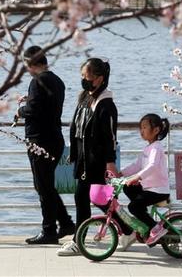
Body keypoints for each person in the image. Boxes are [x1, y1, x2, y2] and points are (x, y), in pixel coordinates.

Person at [57, 58, 130, 256]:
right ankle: (129, 229)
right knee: (98, 198)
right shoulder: (85, 98)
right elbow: (76, 129)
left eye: (87, 77)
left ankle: (78, 242)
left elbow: (110, 137)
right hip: (83, 159)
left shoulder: (106, 105)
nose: (84, 80)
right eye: (82, 76)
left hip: (95, 161)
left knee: (83, 198)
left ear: (99, 79)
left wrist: (110, 162)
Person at [16, 46, 75, 245]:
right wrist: (31, 101)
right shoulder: (57, 80)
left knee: (43, 186)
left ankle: (49, 230)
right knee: (46, 185)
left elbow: (34, 109)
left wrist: (20, 111)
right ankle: (65, 223)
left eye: (27, 65)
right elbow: (46, 106)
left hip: (40, 140)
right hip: (55, 138)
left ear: (32, 64)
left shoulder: (37, 81)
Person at [117, 113, 171, 251]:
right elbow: (137, 165)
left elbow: (152, 166)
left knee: (133, 207)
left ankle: (155, 227)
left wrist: (137, 177)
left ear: (156, 130)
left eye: (145, 127)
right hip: (149, 188)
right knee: (127, 188)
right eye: (140, 128)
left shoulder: (157, 148)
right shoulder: (147, 148)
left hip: (159, 190)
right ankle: (144, 219)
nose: (142, 131)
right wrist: (120, 173)